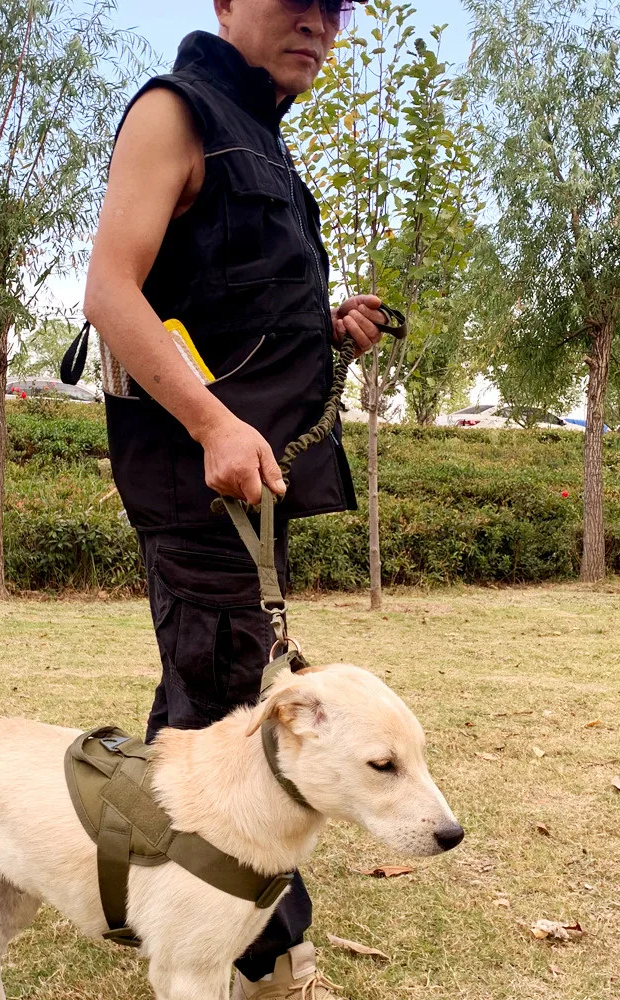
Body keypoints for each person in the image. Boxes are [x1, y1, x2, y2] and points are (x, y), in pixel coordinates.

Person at [83, 2, 387, 996]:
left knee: (196, 696)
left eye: (335, 6)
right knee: (230, 713)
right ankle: (268, 951)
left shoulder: (260, 136)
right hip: (202, 483)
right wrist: (213, 425)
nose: (318, 21)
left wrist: (325, 329)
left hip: (249, 489)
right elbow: (111, 293)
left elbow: (225, 307)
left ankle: (132, 884)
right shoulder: (175, 112)